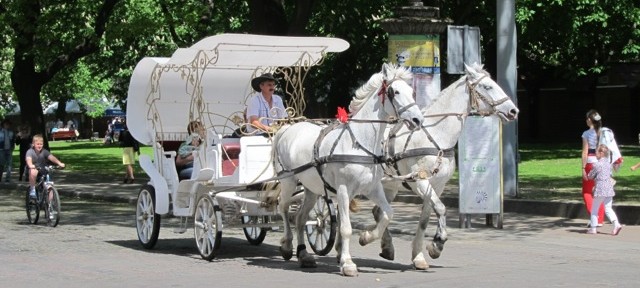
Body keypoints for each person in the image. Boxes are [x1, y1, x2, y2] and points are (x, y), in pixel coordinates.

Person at [586, 144, 623, 235]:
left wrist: (588, 175)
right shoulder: (608, 164)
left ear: (601, 153)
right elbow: (610, 174)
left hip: (600, 189)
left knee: (595, 209)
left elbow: (590, 176)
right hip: (609, 189)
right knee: (608, 208)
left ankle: (593, 228)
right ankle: (616, 224)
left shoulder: (597, 164)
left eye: (596, 153)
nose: (596, 155)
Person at [581, 109, 605, 227]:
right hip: (602, 163)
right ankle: (600, 219)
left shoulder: (586, 134)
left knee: (587, 191)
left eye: (587, 118)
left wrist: (582, 168)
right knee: (599, 193)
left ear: (590, 120)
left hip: (590, 163)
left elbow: (585, 152)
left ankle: (594, 217)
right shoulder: (603, 133)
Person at [25, 134, 65, 199]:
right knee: (33, 171)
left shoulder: (44, 151)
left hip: (43, 170)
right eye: (37, 144)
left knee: (50, 185)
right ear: (33, 144)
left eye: (41, 144)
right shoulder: (30, 152)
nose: (39, 146)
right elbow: (28, 159)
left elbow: (51, 157)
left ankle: (49, 205)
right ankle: (32, 189)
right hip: (32, 171)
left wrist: (59, 163)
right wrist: (30, 165)